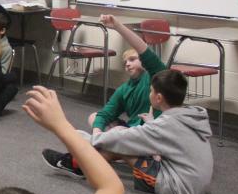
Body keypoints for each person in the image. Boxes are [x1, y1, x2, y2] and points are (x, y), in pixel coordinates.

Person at [47, 69, 213, 194]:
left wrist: (79, 138)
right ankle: (77, 163)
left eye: (151, 91)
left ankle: (75, 163)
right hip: (197, 184)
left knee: (122, 148)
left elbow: (122, 139)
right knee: (124, 142)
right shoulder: (190, 115)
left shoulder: (165, 126)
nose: (149, 93)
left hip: (180, 189)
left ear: (158, 97)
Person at [43, 13, 168, 176]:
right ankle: (105, 148)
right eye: (125, 62)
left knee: (112, 136)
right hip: (133, 130)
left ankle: (76, 162)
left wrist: (117, 26)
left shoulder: (154, 78)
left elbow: (145, 51)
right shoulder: (124, 89)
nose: (128, 64)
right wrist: (97, 135)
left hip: (148, 136)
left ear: (143, 62)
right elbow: (104, 114)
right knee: (95, 118)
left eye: (132, 59)